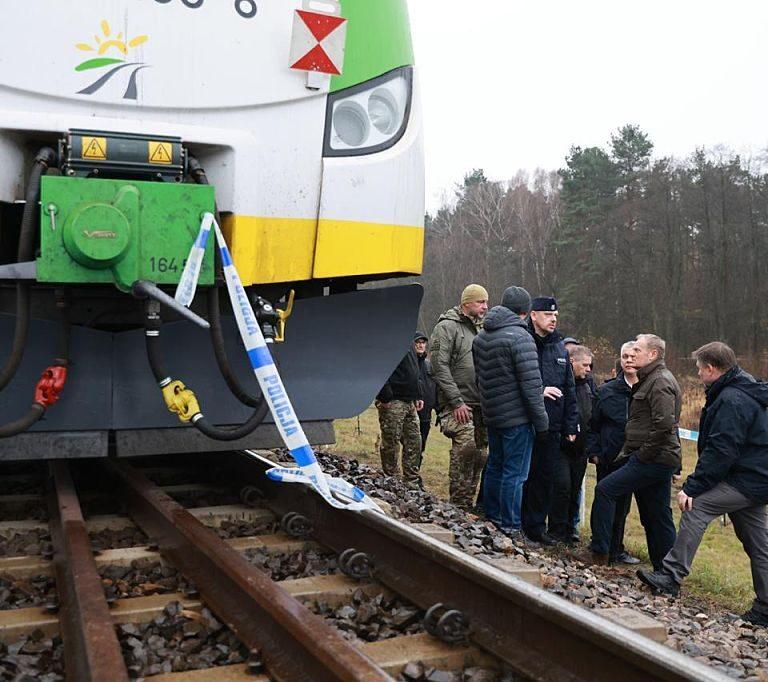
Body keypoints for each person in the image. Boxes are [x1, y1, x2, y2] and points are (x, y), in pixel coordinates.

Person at [637, 342, 768, 627]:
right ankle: (766, 606)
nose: (697, 374)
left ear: (711, 368)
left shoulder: (732, 399)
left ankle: (670, 576)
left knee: (697, 506)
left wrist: (693, 487)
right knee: (759, 543)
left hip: (747, 478)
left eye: (699, 369)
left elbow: (722, 450)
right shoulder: (740, 390)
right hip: (754, 477)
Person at [589, 334, 681, 569]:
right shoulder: (649, 378)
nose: (633, 355)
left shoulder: (659, 381)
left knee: (605, 490)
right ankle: (665, 570)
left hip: (652, 458)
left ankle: (599, 554)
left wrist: (641, 454)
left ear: (652, 354)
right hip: (654, 457)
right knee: (655, 515)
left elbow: (664, 425)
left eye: (638, 350)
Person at [472, 286, 549, 538]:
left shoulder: (481, 337)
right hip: (517, 417)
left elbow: (480, 379)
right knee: (515, 474)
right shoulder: (520, 337)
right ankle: (511, 525)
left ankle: (491, 516)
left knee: (495, 466)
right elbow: (531, 385)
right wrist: (542, 422)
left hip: (492, 414)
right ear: (524, 312)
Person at [521, 296, 578, 545]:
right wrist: (539, 391)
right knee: (524, 475)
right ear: (533, 315)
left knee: (545, 478)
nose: (553, 320)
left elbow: (569, 389)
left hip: (552, 426)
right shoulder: (523, 341)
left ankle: (536, 527)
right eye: (547, 315)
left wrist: (570, 424)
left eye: (555, 316)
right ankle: (516, 523)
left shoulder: (559, 347)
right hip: (525, 421)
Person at [430, 284, 489, 509]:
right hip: (457, 404)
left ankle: (468, 504)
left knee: (480, 456)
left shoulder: (483, 329)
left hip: (480, 404)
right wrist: (456, 401)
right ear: (466, 303)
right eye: (480, 302)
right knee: (465, 450)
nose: (485, 306)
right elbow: (439, 366)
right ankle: (458, 505)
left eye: (486, 302)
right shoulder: (447, 327)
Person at [586, 342, 641, 565]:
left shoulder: (649, 389)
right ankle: (600, 547)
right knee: (605, 502)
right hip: (609, 457)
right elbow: (593, 424)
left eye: (632, 356)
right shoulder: (606, 391)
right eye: (624, 356)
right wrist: (594, 452)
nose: (628, 360)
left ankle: (616, 549)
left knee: (624, 507)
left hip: (637, 458)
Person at [549, 344, 594, 544]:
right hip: (561, 446)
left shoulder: (588, 384)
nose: (588, 369)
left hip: (581, 448)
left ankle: (569, 529)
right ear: (572, 362)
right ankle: (556, 530)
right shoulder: (560, 384)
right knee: (562, 487)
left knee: (575, 488)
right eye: (585, 365)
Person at [375, 344, 423, 488]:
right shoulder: (389, 339)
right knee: (391, 441)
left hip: (410, 401)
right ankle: (392, 480)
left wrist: (418, 394)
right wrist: (385, 396)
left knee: (414, 441)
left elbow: (415, 372)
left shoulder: (409, 340)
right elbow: (379, 366)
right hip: (393, 400)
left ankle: (411, 481)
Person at [414, 331, 437, 460]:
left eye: (423, 343)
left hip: (426, 414)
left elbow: (435, 387)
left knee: (421, 445)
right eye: (417, 342)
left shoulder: (429, 365)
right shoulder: (407, 363)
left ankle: (415, 472)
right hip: (409, 410)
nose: (420, 345)